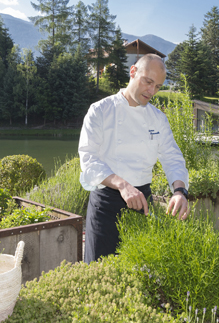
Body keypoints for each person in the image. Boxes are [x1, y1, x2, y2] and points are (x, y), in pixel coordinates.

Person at [79, 53, 190, 263]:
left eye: (157, 86)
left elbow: (172, 157)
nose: (151, 91)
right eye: (148, 82)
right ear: (132, 72)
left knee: (139, 274)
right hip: (106, 205)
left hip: (142, 204)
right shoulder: (100, 110)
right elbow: (89, 160)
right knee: (100, 273)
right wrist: (122, 185)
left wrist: (179, 191)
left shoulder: (158, 118)